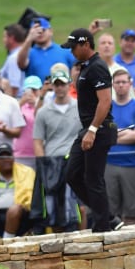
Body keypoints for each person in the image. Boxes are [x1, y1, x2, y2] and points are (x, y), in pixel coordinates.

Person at [61, 28, 121, 232]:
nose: (71, 52)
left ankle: (103, 227)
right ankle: (108, 216)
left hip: (98, 129)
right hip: (88, 128)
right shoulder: (86, 66)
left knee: (93, 179)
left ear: (86, 44)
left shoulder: (97, 67)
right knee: (72, 174)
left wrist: (93, 130)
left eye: (74, 47)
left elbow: (105, 101)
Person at [32, 68, 81, 232]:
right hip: (51, 161)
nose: (60, 88)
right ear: (52, 86)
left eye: (62, 84)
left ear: (69, 85)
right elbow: (38, 140)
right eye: (56, 84)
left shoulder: (79, 107)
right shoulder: (43, 112)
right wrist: (42, 164)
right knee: (52, 206)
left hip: (73, 161)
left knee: (74, 205)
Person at [106, 69, 135, 225]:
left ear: (130, 84)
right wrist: (127, 132)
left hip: (133, 164)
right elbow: (102, 136)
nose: (121, 85)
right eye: (117, 82)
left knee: (132, 212)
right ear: (112, 85)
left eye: (124, 82)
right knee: (111, 212)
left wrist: (114, 135)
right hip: (109, 164)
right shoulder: (107, 107)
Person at [17, 17, 77, 91]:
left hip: (62, 93)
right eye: (37, 32)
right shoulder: (28, 53)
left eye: (43, 30)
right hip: (37, 95)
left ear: (50, 31)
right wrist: (29, 38)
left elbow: (77, 70)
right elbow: (21, 64)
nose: (40, 33)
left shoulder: (64, 51)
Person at [13, 76, 40, 169]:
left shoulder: (44, 104)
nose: (31, 93)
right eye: (29, 90)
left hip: (39, 153)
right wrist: (21, 102)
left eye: (34, 90)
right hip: (21, 155)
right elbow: (10, 119)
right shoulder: (18, 106)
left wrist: (36, 102)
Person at [0, 23, 27, 97]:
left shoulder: (14, 58)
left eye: (5, 37)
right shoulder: (23, 54)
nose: (3, 40)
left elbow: (14, 87)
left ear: (11, 38)